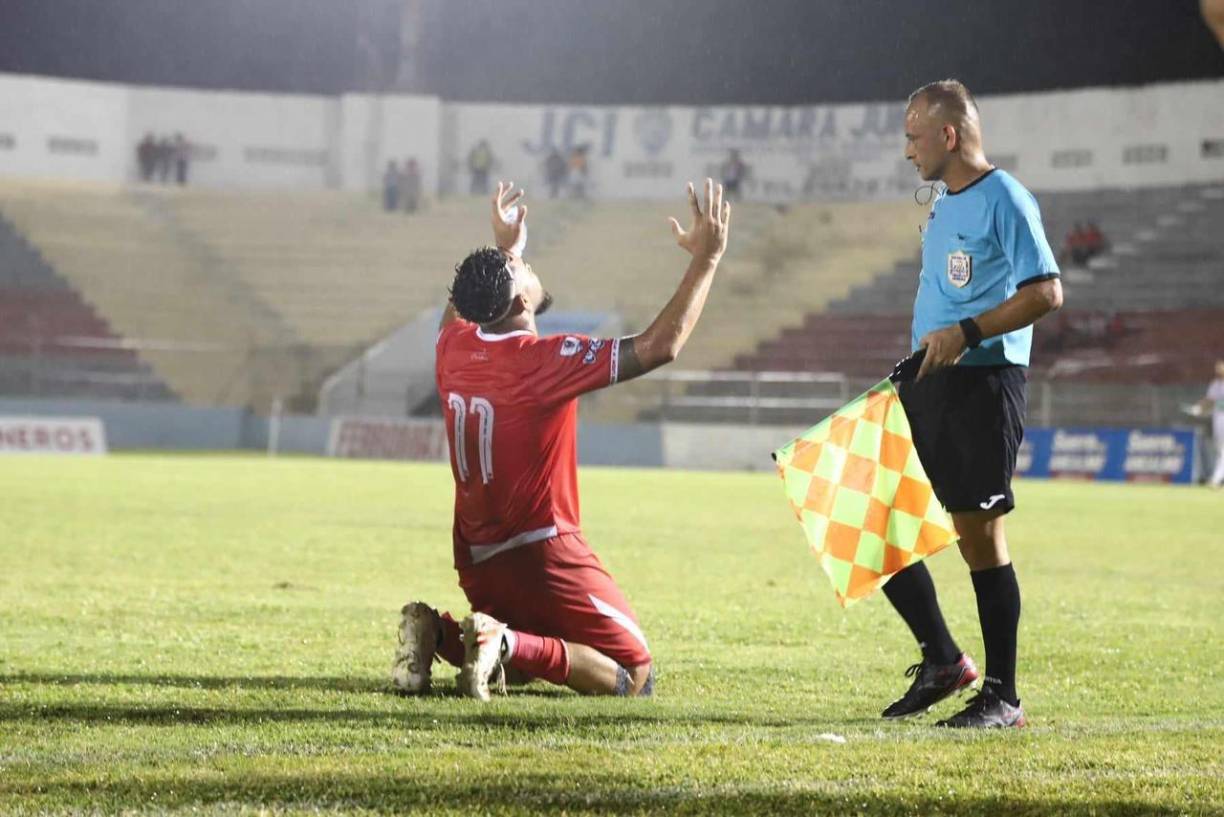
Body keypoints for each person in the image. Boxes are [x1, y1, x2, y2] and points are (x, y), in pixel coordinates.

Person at [392, 178, 731, 699]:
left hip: (476, 557)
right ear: (517, 299)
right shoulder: (542, 361)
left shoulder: (453, 348)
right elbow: (661, 346)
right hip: (542, 554)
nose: (531, 266)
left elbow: (460, 311)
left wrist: (507, 250)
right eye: (522, 269)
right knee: (633, 677)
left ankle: (437, 633)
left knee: (548, 652)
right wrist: (706, 260)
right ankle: (497, 640)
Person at [881, 79, 1063, 728]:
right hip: (927, 381)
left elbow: (1047, 292)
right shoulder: (942, 201)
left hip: (982, 383)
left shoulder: (1006, 198)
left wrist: (967, 332)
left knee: (978, 538)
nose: (907, 150)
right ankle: (941, 660)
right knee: (875, 512)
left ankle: (1003, 695)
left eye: (912, 135)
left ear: (947, 135)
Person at [1197, 359, 1224, 489]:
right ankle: (1216, 479)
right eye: (1217, 368)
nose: (1218, 371)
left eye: (1221, 368)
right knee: (1220, 451)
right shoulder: (1215, 384)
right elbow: (1209, 400)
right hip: (1218, 422)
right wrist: (1199, 407)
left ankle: (1216, 479)